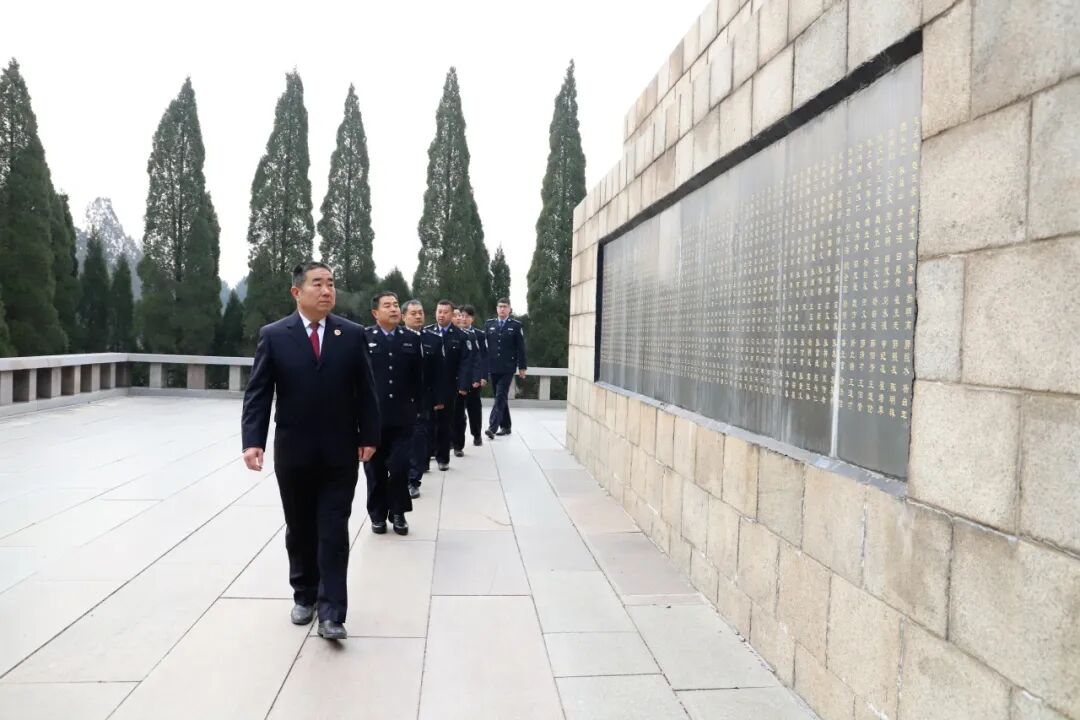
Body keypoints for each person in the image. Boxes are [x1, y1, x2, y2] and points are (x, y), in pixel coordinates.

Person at [241, 261, 379, 641]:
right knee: (300, 527)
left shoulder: (351, 334)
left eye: (331, 283)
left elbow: (366, 391)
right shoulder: (274, 336)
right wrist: (253, 440)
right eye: (317, 284)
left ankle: (332, 612)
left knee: (333, 530)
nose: (326, 291)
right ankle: (304, 593)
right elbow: (258, 393)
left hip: (339, 451)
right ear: (296, 292)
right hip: (294, 451)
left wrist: (369, 435)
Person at [363, 292, 424, 536]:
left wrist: (419, 409)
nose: (394, 309)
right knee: (375, 470)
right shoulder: (365, 338)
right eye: (387, 306)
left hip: (402, 417)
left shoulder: (411, 339)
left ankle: (398, 512)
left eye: (396, 305)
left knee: (399, 468)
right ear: (375, 313)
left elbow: (418, 378)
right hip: (372, 419)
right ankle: (377, 514)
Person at [424, 299, 471, 470]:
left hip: (450, 386)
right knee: (427, 422)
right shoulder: (426, 333)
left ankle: (443, 458)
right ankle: (425, 457)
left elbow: (465, 363)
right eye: (439, 311)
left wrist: (463, 385)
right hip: (429, 385)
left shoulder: (461, 336)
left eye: (445, 312)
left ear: (452, 315)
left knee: (445, 422)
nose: (441, 315)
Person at [403, 299, 440, 498]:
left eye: (420, 312)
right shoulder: (397, 338)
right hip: (399, 399)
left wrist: (439, 397)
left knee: (419, 439)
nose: (418, 316)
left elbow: (439, 372)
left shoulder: (433, 340)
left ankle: (413, 480)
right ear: (403, 317)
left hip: (423, 399)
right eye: (413, 313)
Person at [484, 298, 527, 439]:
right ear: (497, 308)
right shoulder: (489, 324)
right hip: (493, 367)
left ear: (509, 309)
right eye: (500, 306)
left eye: (505, 307)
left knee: (500, 396)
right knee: (500, 397)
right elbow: (485, 347)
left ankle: (492, 427)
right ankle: (506, 426)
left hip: (508, 368)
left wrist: (522, 367)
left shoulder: (515, 325)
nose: (502, 309)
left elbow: (521, 348)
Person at [453, 304, 487, 455]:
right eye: (460, 315)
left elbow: (482, 357)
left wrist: (482, 376)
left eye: (466, 316)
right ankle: (456, 443)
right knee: (457, 412)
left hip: (474, 379)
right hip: (457, 380)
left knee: (474, 408)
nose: (463, 319)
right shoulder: (453, 334)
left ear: (472, 318)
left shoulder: (478, 335)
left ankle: (476, 434)